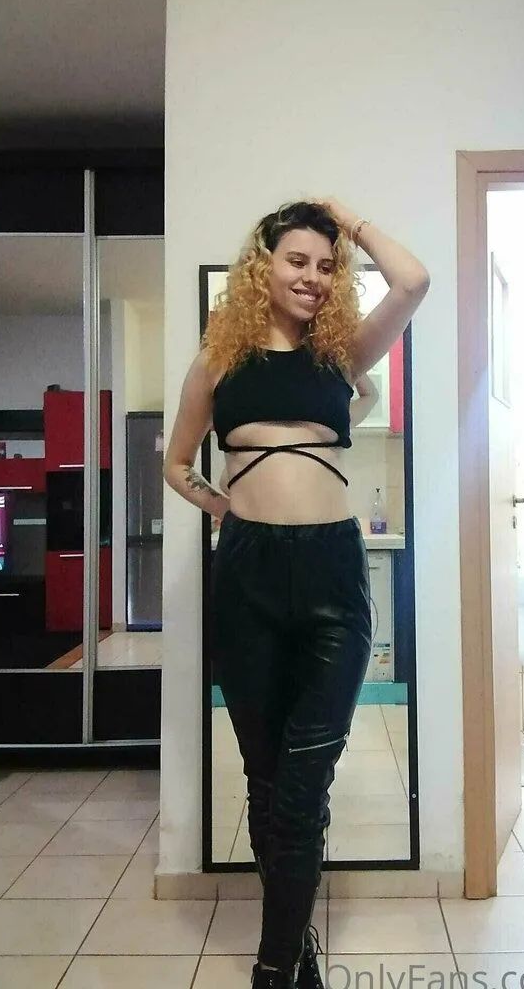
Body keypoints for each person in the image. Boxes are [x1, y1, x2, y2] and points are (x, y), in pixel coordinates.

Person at [163, 198, 429, 989]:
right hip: (247, 574)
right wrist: (225, 508)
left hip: (331, 578)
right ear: (263, 267)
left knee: (305, 781)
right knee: (268, 778)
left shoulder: (340, 357)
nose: (311, 276)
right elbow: (176, 462)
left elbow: (413, 281)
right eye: (296, 260)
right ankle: (294, 943)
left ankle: (274, 964)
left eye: (325, 264)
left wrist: (350, 222)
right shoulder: (219, 360)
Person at [216, 372, 380, 495]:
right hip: (255, 523)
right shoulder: (328, 423)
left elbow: (370, 395)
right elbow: (370, 394)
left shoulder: (328, 423)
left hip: (324, 522)